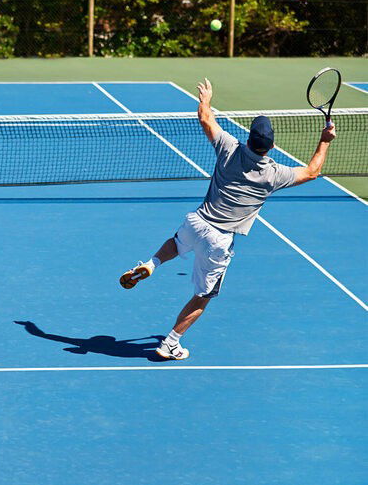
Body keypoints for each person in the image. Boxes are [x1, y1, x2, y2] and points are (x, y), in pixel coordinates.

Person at [120, 78, 336, 360]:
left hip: (198, 221)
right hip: (219, 240)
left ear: (249, 139)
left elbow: (205, 118)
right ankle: (170, 343)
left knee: (176, 243)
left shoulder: (229, 148)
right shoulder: (274, 174)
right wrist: (324, 140)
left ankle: (151, 263)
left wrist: (206, 99)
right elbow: (311, 172)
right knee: (203, 297)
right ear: (270, 147)